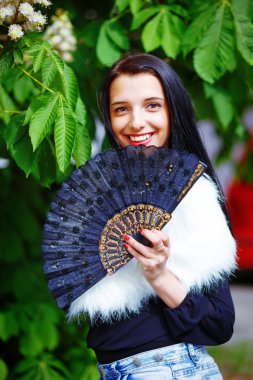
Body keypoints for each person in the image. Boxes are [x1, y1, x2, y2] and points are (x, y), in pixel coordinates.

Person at [68, 53, 237, 379]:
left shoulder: (190, 193)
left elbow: (219, 324)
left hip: (167, 369)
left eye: (152, 105)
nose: (135, 122)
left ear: (174, 111)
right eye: (121, 109)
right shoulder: (108, 191)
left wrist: (159, 276)